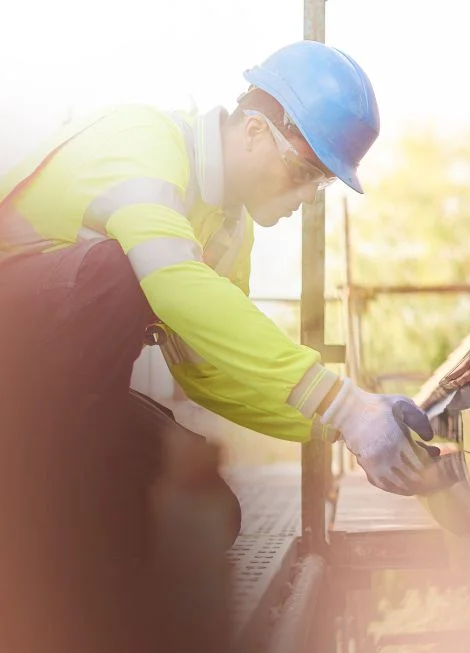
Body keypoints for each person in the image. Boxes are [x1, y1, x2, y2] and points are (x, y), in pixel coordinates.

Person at [0, 41, 435, 555]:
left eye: (321, 184)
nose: (307, 198)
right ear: (254, 130)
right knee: (119, 271)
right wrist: (342, 403)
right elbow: (173, 281)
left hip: (51, 392)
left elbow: (210, 374)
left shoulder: (228, 233)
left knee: (205, 511)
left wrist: (344, 424)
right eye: (304, 172)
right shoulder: (146, 142)